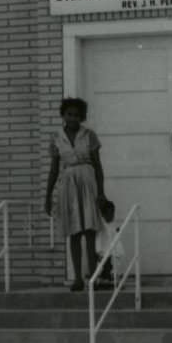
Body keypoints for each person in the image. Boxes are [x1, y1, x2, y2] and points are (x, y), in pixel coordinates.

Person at [44, 97, 107, 291]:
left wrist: (101, 193)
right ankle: (77, 278)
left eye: (77, 115)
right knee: (74, 231)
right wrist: (47, 196)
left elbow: (97, 166)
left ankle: (93, 277)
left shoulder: (89, 135)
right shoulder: (56, 138)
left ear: (83, 117)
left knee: (89, 231)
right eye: (69, 114)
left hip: (87, 182)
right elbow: (54, 169)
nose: (73, 118)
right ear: (63, 115)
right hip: (68, 185)